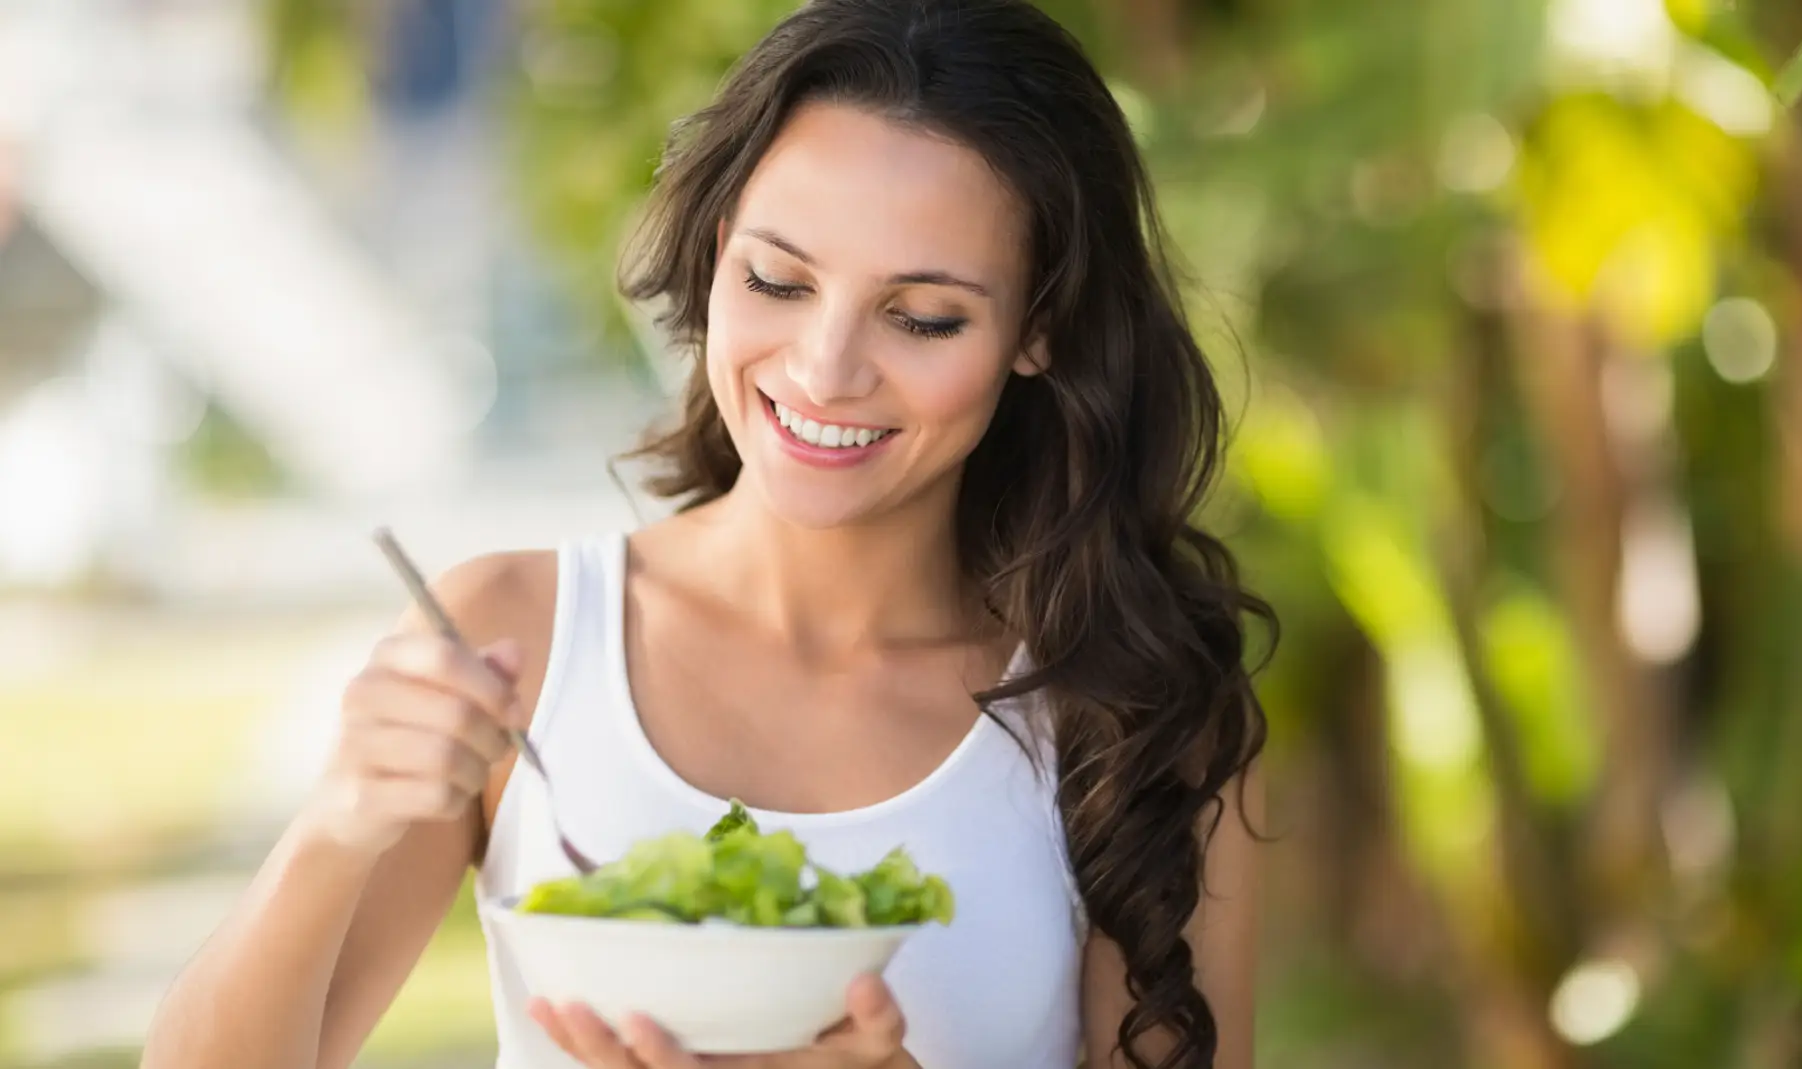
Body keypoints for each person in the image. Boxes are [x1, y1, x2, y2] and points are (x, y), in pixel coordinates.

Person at [140, 1, 1275, 1066]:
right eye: (778, 281)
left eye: (922, 315)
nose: (825, 369)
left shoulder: (1140, 711)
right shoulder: (518, 638)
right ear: (718, 247)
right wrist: (336, 824)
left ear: (1040, 329)